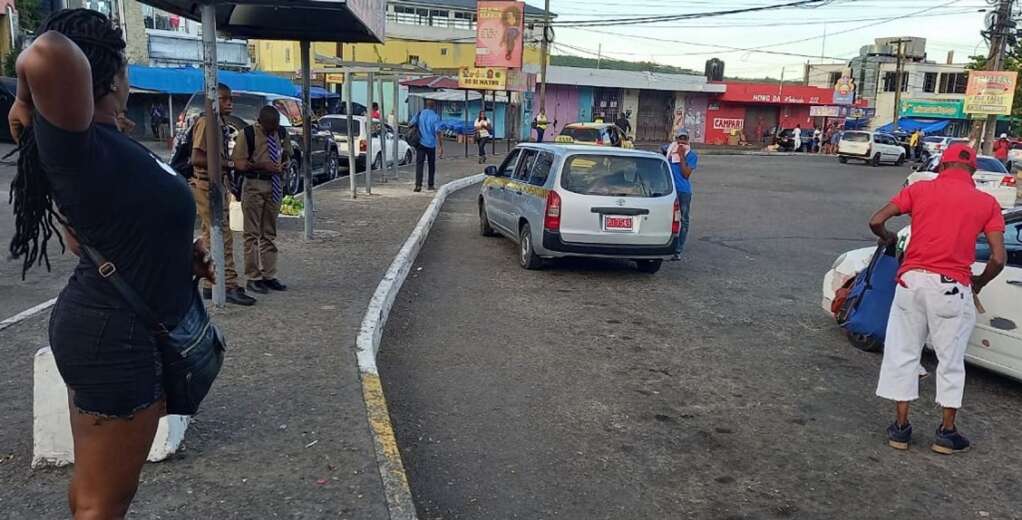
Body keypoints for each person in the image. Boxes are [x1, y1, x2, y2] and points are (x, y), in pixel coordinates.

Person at [7, 9, 215, 518]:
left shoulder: (106, 140)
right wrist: (22, 96)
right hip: (113, 335)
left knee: (96, 489)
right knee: (106, 500)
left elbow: (93, 238)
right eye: (123, 65)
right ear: (113, 72)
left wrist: (177, 257)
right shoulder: (76, 142)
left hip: (109, 325)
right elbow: (45, 50)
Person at [869, 143, 1006, 455]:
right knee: (950, 360)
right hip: (951, 288)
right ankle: (946, 432)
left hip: (911, 282)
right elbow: (998, 258)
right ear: (973, 170)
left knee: (903, 352)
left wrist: (888, 238)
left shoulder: (919, 190)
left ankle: (900, 429)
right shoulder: (986, 202)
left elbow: (876, 219)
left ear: (942, 166)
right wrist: (979, 283)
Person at [190, 83, 256, 305]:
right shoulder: (207, 122)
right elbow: (197, 158)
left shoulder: (218, 123)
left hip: (214, 184)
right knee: (222, 236)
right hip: (206, 185)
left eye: (230, 99)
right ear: (213, 100)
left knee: (210, 236)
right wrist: (228, 163)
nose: (230, 103)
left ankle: (212, 283)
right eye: (225, 99)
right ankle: (228, 284)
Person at [233, 105, 290, 295]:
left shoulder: (280, 133)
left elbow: (287, 151)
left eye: (275, 126)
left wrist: (285, 162)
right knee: (251, 234)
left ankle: (269, 275)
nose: (272, 130)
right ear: (260, 121)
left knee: (269, 232)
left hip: (274, 185)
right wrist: (262, 165)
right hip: (254, 185)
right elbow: (239, 163)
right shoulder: (247, 134)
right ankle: (253, 277)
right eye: (269, 127)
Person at [665, 128, 698, 260]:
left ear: (688, 140)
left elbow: (686, 174)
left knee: (683, 220)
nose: (682, 141)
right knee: (668, 219)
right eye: (680, 138)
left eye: (684, 139)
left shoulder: (691, 155)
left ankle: (678, 250)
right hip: (669, 190)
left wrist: (682, 156)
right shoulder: (669, 151)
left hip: (683, 191)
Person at [409, 98, 443, 192]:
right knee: (431, 165)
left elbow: (410, 124)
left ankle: (418, 185)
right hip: (431, 144)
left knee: (419, 164)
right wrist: (441, 146)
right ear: (434, 106)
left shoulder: (420, 113)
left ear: (426, 105)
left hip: (420, 143)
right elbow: (438, 132)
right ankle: (430, 185)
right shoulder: (436, 117)